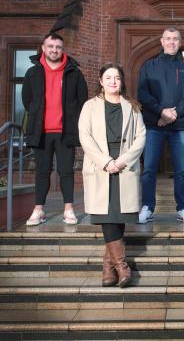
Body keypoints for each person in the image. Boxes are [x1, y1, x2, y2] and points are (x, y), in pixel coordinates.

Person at [78, 63, 146, 287]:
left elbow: (141, 137)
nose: (113, 81)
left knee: (120, 214)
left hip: (124, 164)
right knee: (107, 215)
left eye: (116, 77)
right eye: (108, 78)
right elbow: (85, 137)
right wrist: (106, 162)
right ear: (101, 81)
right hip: (101, 165)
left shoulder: (132, 107)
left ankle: (108, 267)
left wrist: (122, 161)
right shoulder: (89, 106)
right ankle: (122, 267)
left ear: (122, 81)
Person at [22, 32, 88, 226]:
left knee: (67, 171)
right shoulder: (32, 72)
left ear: (62, 49)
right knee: (42, 171)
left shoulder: (74, 72)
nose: (54, 50)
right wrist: (37, 114)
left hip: (65, 131)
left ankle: (68, 209)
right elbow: (27, 100)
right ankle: (38, 210)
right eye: (50, 46)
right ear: (43, 48)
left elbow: (82, 99)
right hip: (41, 132)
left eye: (58, 47)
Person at [137, 27, 184, 224]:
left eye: (175, 39)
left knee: (181, 170)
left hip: (179, 126)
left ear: (180, 43)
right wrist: (161, 112)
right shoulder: (149, 66)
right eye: (168, 39)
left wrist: (175, 113)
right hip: (154, 125)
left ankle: (182, 208)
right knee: (149, 168)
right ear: (162, 41)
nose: (171, 42)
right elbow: (143, 94)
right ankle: (147, 207)